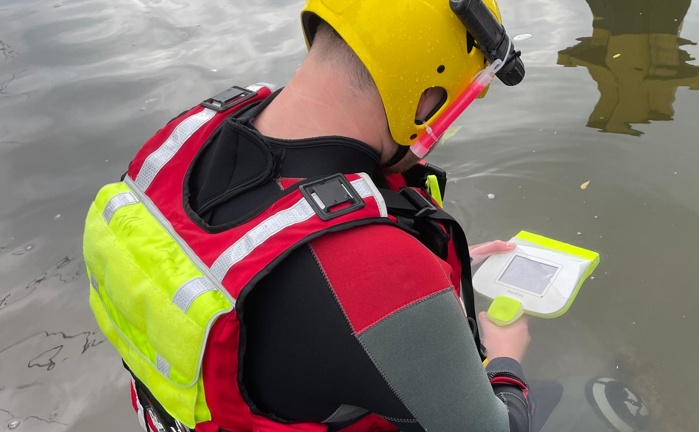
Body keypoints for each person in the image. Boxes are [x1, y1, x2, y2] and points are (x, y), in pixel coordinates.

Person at [82, 0, 533, 431]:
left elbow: (250, 256)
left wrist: (423, 291)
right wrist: (506, 357)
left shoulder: (190, 136)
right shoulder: (383, 275)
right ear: (423, 97)